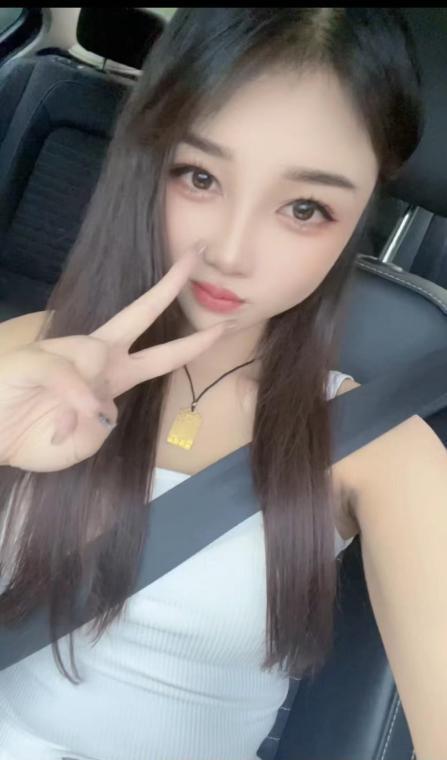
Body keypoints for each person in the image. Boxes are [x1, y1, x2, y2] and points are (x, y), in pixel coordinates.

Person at [0, 8, 445, 760]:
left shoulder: (380, 450)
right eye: (200, 177)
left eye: (304, 208)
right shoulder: (27, 356)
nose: (230, 252)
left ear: (362, 210)